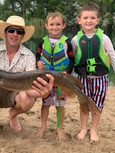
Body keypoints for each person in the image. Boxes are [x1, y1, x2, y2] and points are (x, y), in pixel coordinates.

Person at [0, 15, 54, 145]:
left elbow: (30, 89)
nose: (15, 34)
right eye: (11, 30)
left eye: (19, 31)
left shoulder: (29, 56)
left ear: (23, 36)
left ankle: (13, 115)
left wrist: (44, 93)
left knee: (28, 99)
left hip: (15, 93)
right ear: (5, 33)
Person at [71, 2, 115, 142]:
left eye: (92, 18)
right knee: (83, 104)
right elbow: (72, 60)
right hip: (82, 79)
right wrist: (69, 76)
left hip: (100, 79)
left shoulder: (104, 38)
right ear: (79, 20)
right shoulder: (75, 40)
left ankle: (94, 130)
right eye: (85, 18)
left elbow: (113, 56)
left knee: (97, 105)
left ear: (97, 20)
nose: (89, 21)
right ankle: (84, 129)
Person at [35, 12, 74, 141]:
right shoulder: (42, 42)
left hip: (60, 80)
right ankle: (43, 127)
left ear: (63, 25)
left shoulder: (67, 42)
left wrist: (67, 72)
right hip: (46, 79)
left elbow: (72, 60)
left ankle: (59, 128)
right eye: (52, 24)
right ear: (46, 26)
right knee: (45, 104)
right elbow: (38, 55)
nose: (54, 27)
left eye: (58, 24)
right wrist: (38, 62)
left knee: (59, 106)